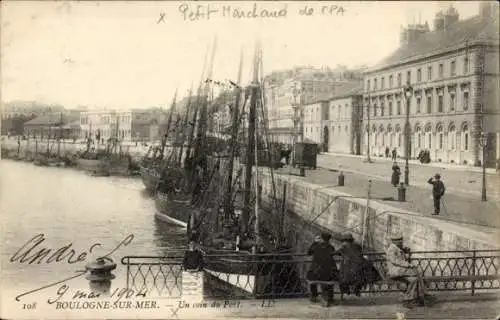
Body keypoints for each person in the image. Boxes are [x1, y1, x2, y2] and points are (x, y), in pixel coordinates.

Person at [385, 235, 432, 308]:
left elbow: (403, 258)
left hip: (400, 270)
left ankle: (409, 299)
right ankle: (423, 294)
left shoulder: (397, 248)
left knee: (414, 279)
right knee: (417, 272)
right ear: (395, 241)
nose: (401, 242)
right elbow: (395, 261)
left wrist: (406, 252)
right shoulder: (391, 249)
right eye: (400, 241)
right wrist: (408, 265)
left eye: (401, 240)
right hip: (395, 271)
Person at [307, 233, 338, 307]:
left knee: (311, 275)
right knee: (330, 277)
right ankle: (330, 298)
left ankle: (314, 296)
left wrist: (314, 242)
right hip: (328, 273)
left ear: (321, 238)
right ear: (329, 239)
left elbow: (308, 253)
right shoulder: (331, 247)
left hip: (316, 273)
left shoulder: (316, 246)